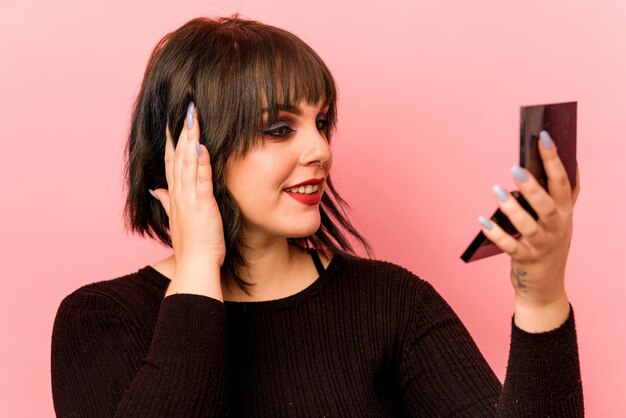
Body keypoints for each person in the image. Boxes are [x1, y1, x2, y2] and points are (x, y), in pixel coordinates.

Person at [51, 16, 583, 417]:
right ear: (193, 150)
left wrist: (541, 295)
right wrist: (197, 271)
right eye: (279, 129)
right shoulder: (101, 319)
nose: (320, 150)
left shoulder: (390, 303)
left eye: (322, 122)